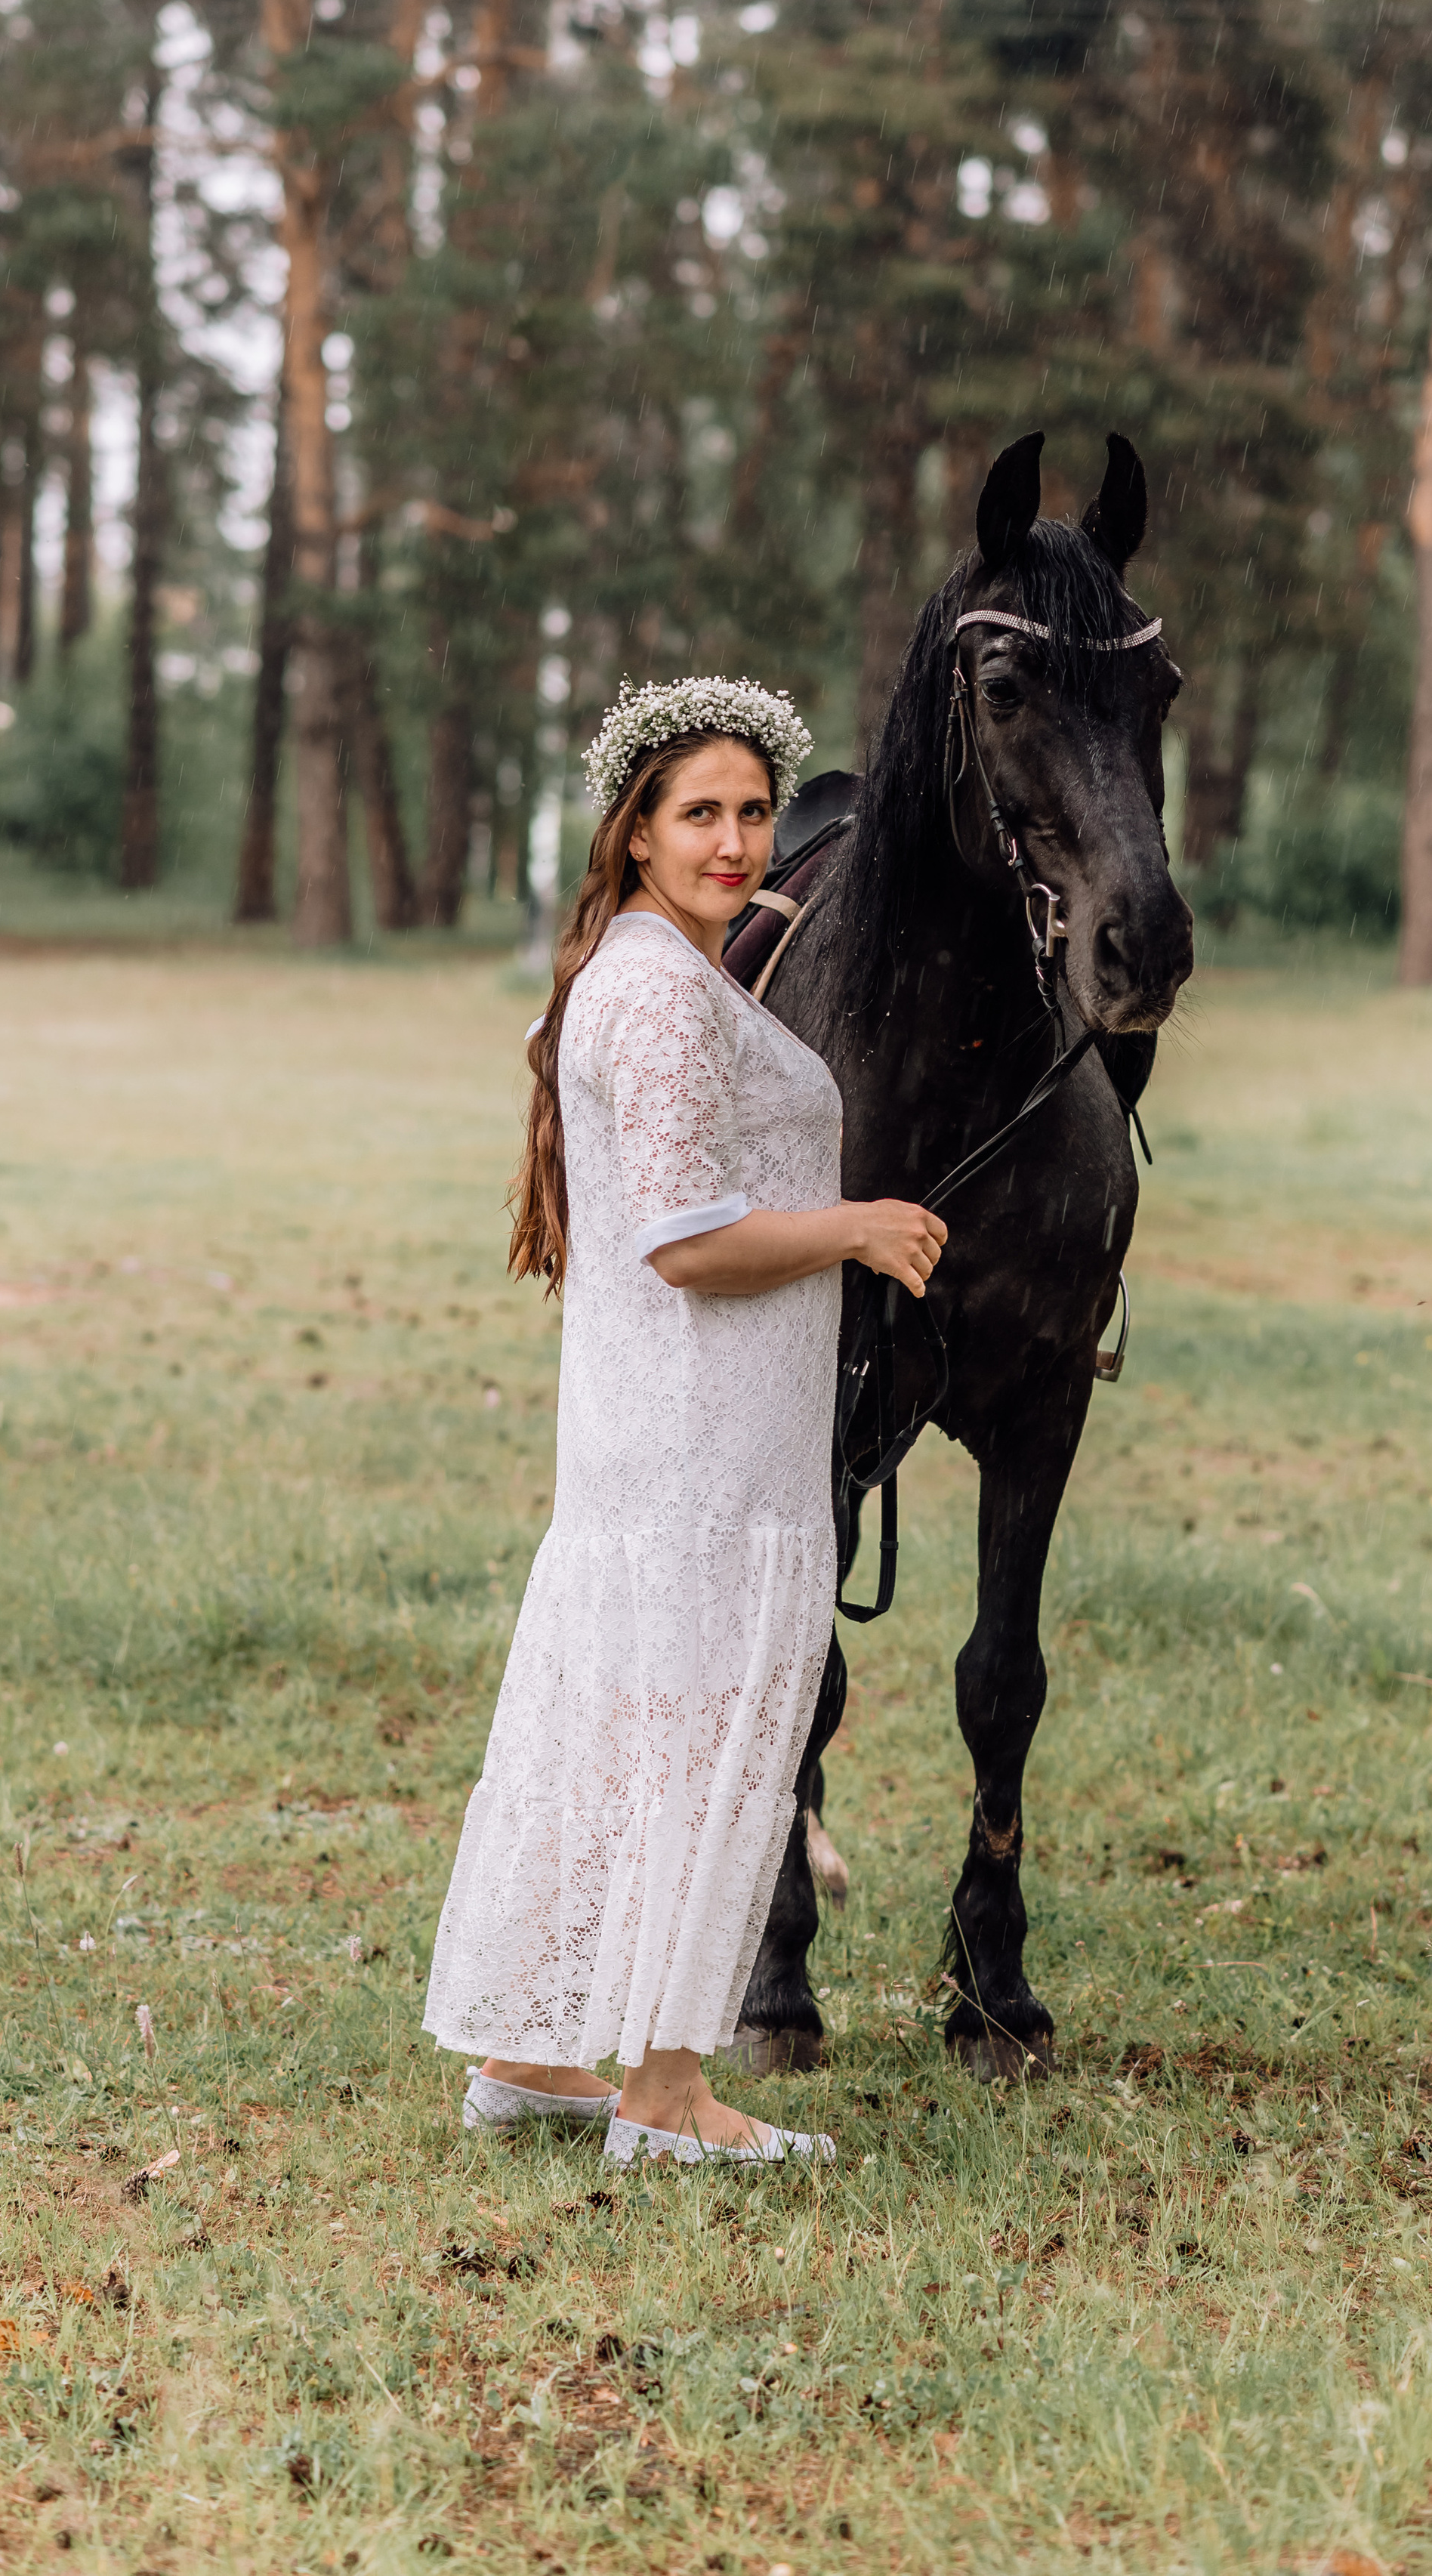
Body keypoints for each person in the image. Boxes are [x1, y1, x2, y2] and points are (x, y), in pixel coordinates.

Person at [421, 675, 947, 2166]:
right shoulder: (657, 992)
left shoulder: (661, 973)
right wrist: (854, 1226)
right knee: (696, 1734)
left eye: (750, 811)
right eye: (698, 812)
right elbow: (682, 1239)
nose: (732, 840)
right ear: (637, 832)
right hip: (697, 1449)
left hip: (668, 1444)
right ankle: (662, 2096)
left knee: (614, 1731)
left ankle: (528, 2058)